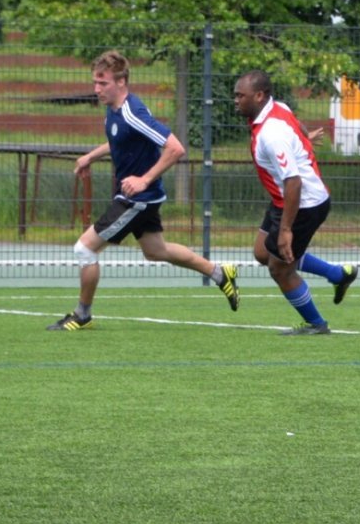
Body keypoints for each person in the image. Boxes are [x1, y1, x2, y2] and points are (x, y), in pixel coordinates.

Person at [48, 50, 239, 331]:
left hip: (136, 199)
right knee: (156, 250)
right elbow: (120, 142)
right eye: (95, 83)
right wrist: (91, 156)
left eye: (103, 83)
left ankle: (82, 314)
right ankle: (219, 273)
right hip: (140, 197)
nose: (96, 89)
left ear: (122, 82)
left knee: (85, 249)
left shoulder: (132, 112)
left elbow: (176, 148)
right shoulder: (114, 111)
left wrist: (144, 180)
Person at [233, 69, 358, 335]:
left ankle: (316, 324)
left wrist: (286, 230)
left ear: (258, 95)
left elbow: (294, 182)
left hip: (303, 204)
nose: (236, 100)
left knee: (279, 268)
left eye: (240, 96)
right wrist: (304, 138)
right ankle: (337, 274)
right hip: (284, 198)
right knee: (262, 252)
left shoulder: (272, 134)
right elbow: (294, 123)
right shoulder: (277, 107)